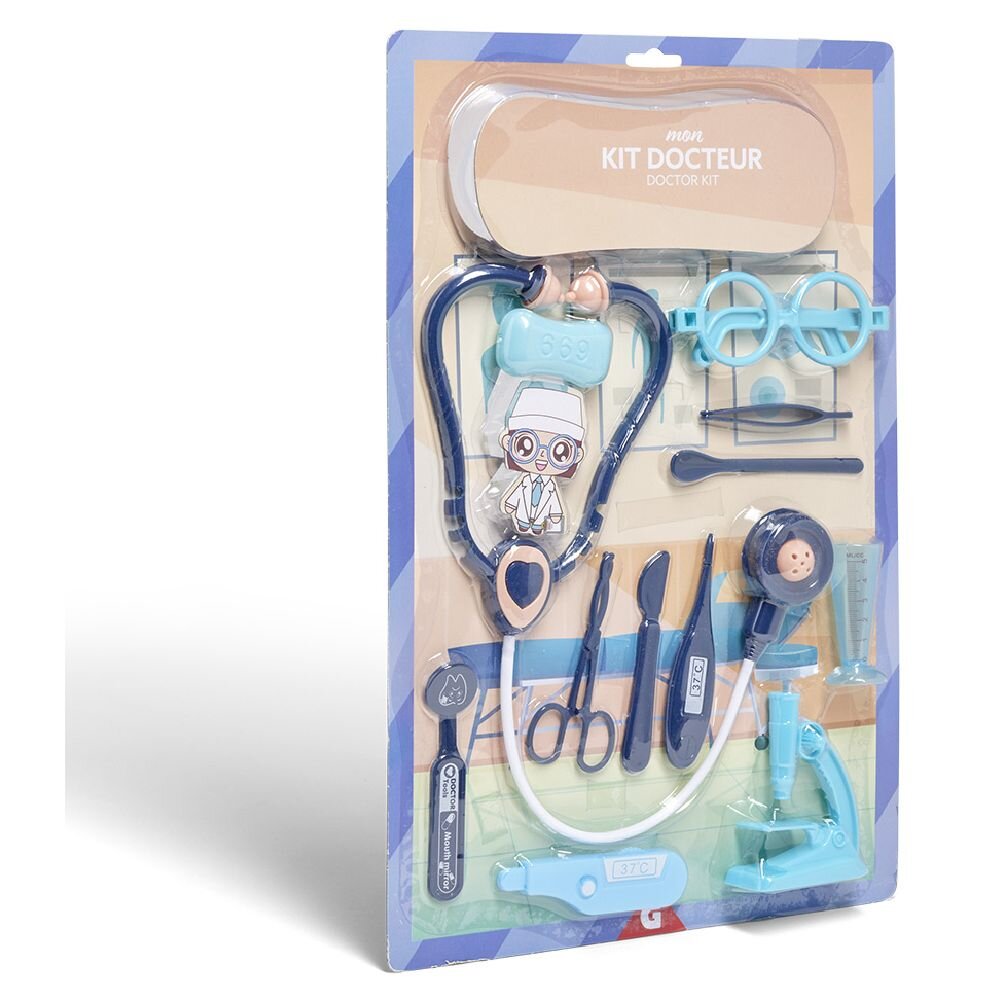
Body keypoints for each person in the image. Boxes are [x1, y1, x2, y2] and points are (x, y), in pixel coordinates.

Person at [499, 384, 585, 536]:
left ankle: (537, 526)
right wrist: (510, 504)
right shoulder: (524, 481)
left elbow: (553, 500)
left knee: (540, 523)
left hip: (541, 522)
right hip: (521, 517)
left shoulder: (551, 486)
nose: (542, 456)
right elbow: (517, 492)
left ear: (577, 456)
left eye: (560, 452)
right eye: (527, 446)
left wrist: (555, 514)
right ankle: (524, 524)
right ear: (507, 443)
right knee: (523, 518)